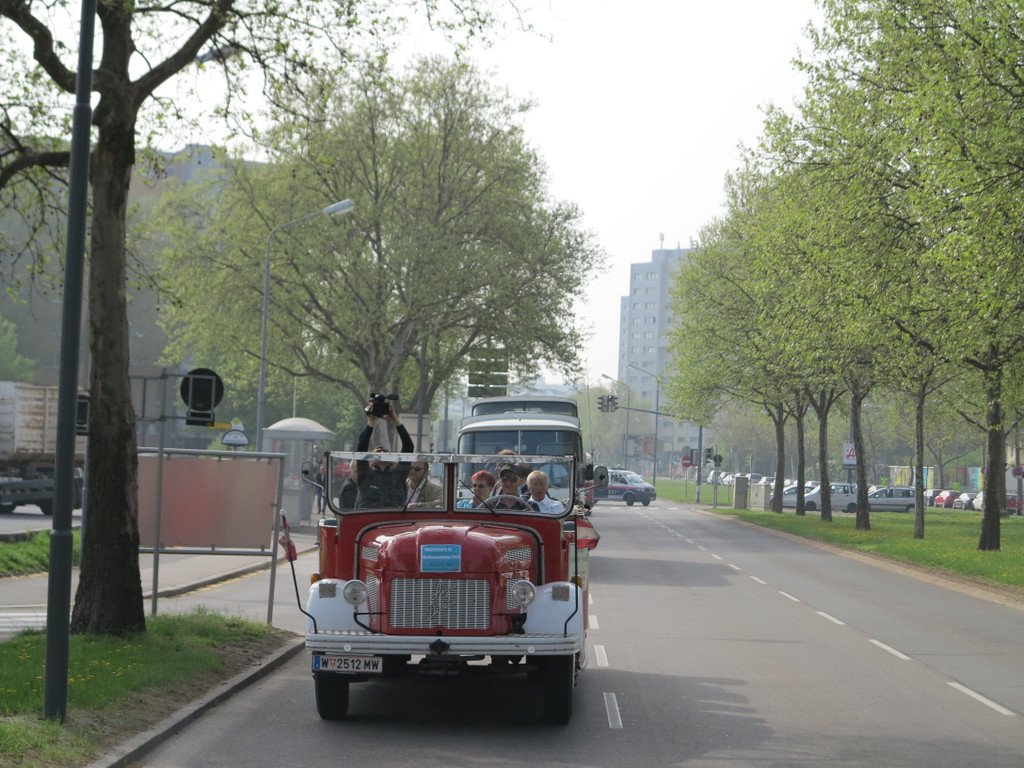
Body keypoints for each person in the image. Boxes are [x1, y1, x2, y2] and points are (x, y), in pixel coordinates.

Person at [353, 398, 414, 508]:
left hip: (393, 517)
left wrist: (395, 419)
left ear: (391, 460)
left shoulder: (398, 474)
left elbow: (408, 447)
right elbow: (361, 448)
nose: (381, 450)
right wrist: (371, 422)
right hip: (368, 516)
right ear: (371, 460)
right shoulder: (365, 473)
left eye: (385, 451)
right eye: (378, 450)